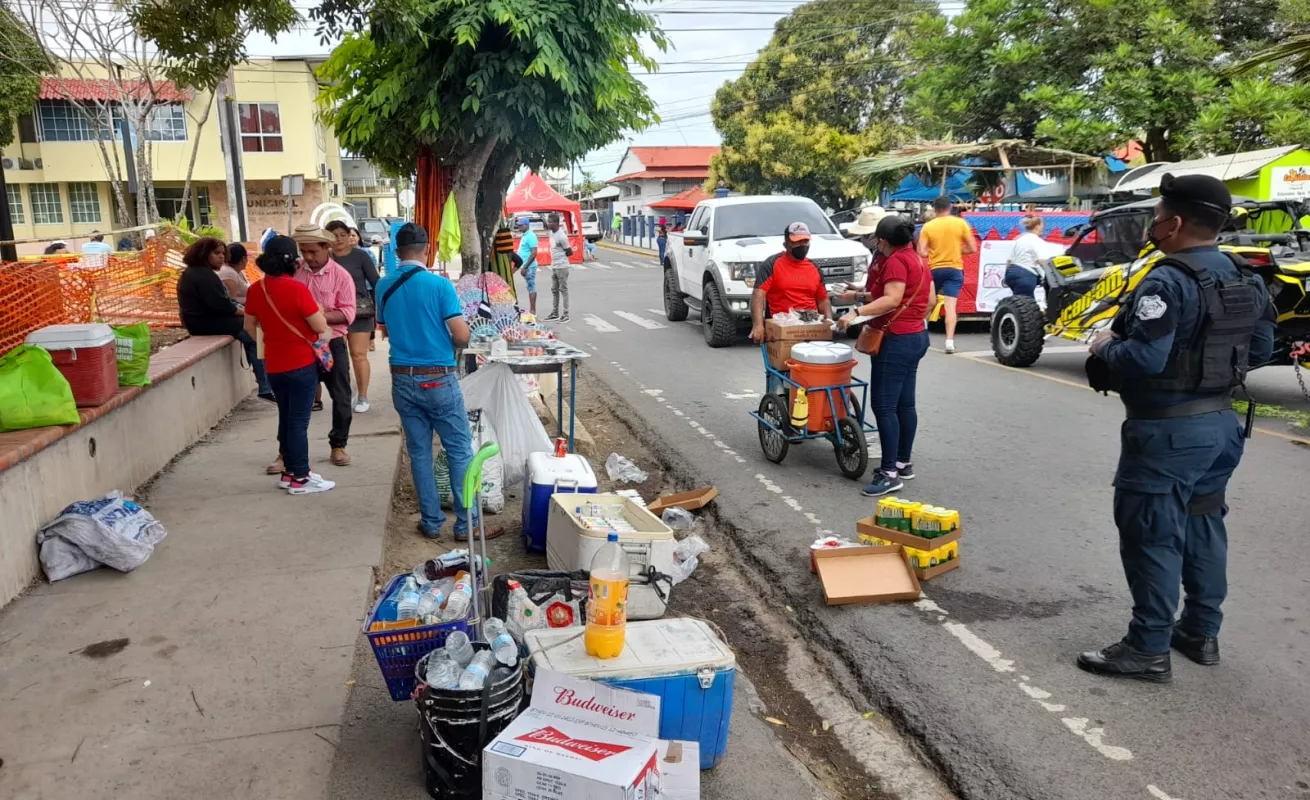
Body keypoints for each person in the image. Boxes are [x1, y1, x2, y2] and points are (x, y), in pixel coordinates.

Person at [1078, 174, 1276, 683]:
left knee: (1152, 536)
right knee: (1204, 525)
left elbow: (1145, 358)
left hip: (1166, 434)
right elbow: (1258, 350)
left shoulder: (1167, 281)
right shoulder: (1246, 276)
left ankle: (1147, 648)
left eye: (1158, 214)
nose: (1153, 222)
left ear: (1175, 222)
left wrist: (1104, 345)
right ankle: (1200, 632)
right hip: (1221, 426)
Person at [375, 222, 496, 541]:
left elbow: (384, 328)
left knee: (419, 452)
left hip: (402, 378)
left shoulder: (383, 285)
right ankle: (465, 524)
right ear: (427, 250)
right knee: (458, 449)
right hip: (438, 378)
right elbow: (461, 336)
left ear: (397, 251)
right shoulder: (440, 286)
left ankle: (430, 522)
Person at [836, 215, 934, 495]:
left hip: (896, 340)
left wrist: (854, 313)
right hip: (916, 336)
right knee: (905, 404)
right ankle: (903, 462)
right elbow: (927, 300)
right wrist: (861, 296)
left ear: (883, 241)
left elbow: (892, 299)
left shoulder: (895, 261)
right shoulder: (917, 258)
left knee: (884, 406)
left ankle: (889, 473)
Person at [242, 235, 336, 495]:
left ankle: (289, 472)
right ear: (291, 262)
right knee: (298, 422)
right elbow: (319, 326)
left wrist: (271, 341)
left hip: (274, 365)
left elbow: (249, 326)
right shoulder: (297, 289)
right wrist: (320, 318)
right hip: (301, 363)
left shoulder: (256, 289)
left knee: (286, 417)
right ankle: (301, 478)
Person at [176, 236, 274, 401]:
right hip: (205, 323)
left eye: (223, 253)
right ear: (204, 254)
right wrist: (247, 314)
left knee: (254, 331)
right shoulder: (203, 275)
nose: (221, 257)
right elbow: (223, 306)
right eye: (216, 253)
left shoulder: (199, 272)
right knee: (254, 335)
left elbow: (225, 303)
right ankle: (265, 386)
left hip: (205, 320)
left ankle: (265, 384)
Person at [292, 223, 357, 467]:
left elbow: (348, 313)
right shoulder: (295, 272)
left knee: (341, 396)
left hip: (331, 343)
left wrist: (315, 316)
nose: (308, 257)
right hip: (300, 343)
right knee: (294, 398)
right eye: (304, 251)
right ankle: (286, 450)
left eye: (313, 251)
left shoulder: (341, 276)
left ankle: (338, 445)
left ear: (326, 247)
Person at [325, 219, 381, 414]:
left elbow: (375, 281)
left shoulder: (360, 256)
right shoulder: (324, 257)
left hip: (360, 311)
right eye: (334, 236)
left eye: (343, 235)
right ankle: (346, 393)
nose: (339, 239)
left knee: (358, 354)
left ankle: (363, 396)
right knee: (338, 357)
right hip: (332, 313)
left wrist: (379, 310)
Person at [748, 222, 834, 343]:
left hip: (811, 328)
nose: (802, 245)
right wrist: (758, 325)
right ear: (786, 244)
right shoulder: (772, 264)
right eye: (797, 241)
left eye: (805, 241)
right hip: (782, 328)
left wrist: (829, 321)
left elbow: (823, 299)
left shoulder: (814, 268)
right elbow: (758, 294)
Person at [917, 196, 976, 353]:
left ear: (934, 209)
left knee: (929, 303)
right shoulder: (961, 223)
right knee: (951, 307)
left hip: (934, 269)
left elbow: (921, 251)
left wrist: (934, 252)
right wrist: (957, 251)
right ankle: (949, 342)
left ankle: (920, 334)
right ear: (950, 208)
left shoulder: (928, 226)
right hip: (954, 269)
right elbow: (972, 248)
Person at [1004, 214, 1045, 298]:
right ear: (1037, 227)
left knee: (1019, 300)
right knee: (1025, 302)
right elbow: (1040, 260)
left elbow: (1009, 260)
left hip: (1011, 273)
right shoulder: (1037, 241)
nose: (1043, 228)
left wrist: (1006, 275)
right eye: (1042, 225)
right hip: (1026, 274)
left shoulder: (1019, 239)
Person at [544, 213, 573, 323]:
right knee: (554, 290)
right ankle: (555, 313)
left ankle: (566, 314)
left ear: (556, 223)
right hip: (554, 265)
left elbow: (569, 252)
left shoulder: (562, 236)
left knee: (563, 290)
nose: (548, 223)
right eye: (548, 221)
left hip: (562, 266)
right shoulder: (551, 233)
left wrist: (561, 257)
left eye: (550, 222)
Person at [515, 217, 539, 315]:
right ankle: (532, 310)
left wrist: (525, 267)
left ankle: (533, 311)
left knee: (531, 287)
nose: (519, 227)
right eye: (519, 225)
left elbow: (534, 253)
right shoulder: (525, 235)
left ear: (526, 225)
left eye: (521, 225)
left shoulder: (531, 236)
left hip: (529, 267)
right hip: (524, 265)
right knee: (529, 287)